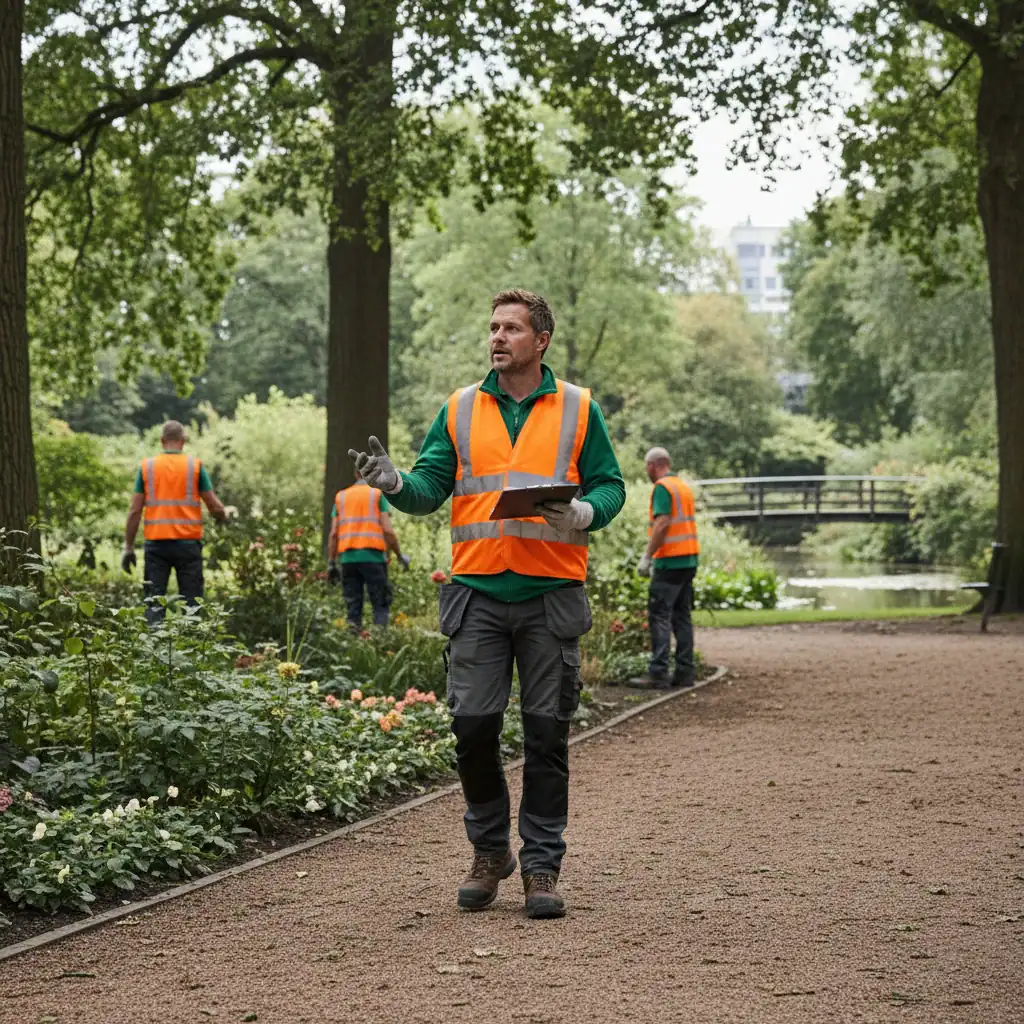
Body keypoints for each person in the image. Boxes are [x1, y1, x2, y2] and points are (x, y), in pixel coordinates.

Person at [348, 289, 625, 920]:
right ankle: (489, 850)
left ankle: (541, 866)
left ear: (541, 340)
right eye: (493, 328)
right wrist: (395, 485)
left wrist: (584, 510)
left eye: (512, 329)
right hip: (475, 595)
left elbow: (611, 485)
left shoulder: (580, 408)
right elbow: (427, 488)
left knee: (547, 734)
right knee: (472, 727)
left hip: (551, 593)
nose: (498, 337)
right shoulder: (460, 408)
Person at [122, 421, 228, 623]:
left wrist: (128, 547)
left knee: (154, 604)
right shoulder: (194, 467)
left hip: (156, 546)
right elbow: (214, 506)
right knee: (193, 604)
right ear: (183, 441)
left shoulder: (147, 467)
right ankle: (194, 647)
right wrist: (224, 517)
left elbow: (135, 510)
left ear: (162, 441)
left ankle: (155, 650)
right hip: (187, 546)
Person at [630, 446, 700, 689]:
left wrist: (647, 557)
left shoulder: (662, 488)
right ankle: (685, 671)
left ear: (652, 465)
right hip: (689, 559)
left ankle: (658, 672)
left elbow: (662, 523)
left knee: (659, 615)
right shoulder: (682, 486)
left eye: (646, 467)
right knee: (681, 616)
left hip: (669, 561)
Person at [327, 470, 410, 631]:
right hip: (374, 559)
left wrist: (331, 562)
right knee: (380, 603)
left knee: (353, 606)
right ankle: (379, 644)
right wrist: (399, 555)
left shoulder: (341, 496)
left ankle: (354, 647)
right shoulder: (378, 495)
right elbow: (387, 530)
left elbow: (333, 534)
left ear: (356, 474)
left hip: (348, 560)